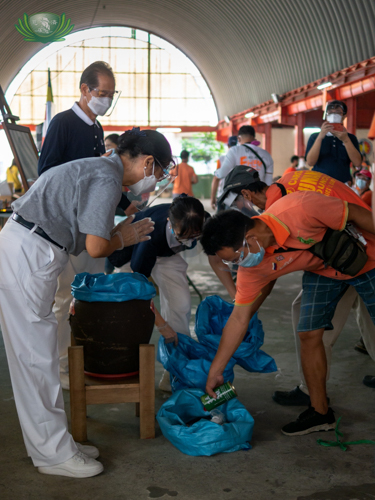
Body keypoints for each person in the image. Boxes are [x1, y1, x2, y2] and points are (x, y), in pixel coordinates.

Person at [0, 128, 174, 477]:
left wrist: (118, 233)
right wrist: (121, 235)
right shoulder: (107, 178)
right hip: (30, 251)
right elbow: (96, 248)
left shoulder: (101, 170)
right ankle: (52, 455)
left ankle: (56, 443)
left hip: (35, 248)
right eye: (160, 172)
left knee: (41, 355)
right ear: (148, 163)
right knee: (34, 359)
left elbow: (87, 239)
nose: (156, 181)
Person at [201, 191, 375, 436]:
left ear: (249, 238)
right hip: (324, 270)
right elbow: (240, 317)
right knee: (309, 334)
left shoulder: (299, 208)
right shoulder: (252, 268)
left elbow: (356, 213)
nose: (238, 265)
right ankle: (320, 413)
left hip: (367, 257)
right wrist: (216, 371)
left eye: (236, 258)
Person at [37, 62, 133, 388]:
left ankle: (80, 357)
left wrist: (122, 203)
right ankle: (61, 369)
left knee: (84, 296)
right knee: (64, 297)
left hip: (88, 228)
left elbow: (99, 177)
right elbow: (47, 175)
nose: (105, 99)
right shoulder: (63, 124)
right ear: (84, 89)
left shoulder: (96, 128)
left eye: (110, 94)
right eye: (101, 93)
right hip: (65, 228)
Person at [108, 195, 211, 391]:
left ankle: (175, 374)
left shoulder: (202, 220)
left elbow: (214, 253)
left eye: (194, 236)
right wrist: (162, 325)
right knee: (127, 311)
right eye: (184, 235)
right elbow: (138, 289)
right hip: (133, 254)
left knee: (180, 305)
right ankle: (120, 371)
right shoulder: (150, 233)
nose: (190, 240)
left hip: (166, 253)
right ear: (170, 223)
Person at [305, 100, 362, 183]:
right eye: (330, 112)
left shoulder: (350, 138)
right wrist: (320, 136)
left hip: (342, 184)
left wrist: (346, 140)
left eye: (338, 112)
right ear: (326, 115)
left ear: (344, 116)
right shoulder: (315, 137)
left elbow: (357, 163)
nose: (334, 115)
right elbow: (310, 162)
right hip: (319, 183)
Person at [210, 135, 237, 210]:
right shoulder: (242, 159)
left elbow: (216, 179)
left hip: (222, 195)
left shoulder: (221, 159)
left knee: (221, 220)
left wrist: (212, 197)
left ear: (228, 145)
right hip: (237, 197)